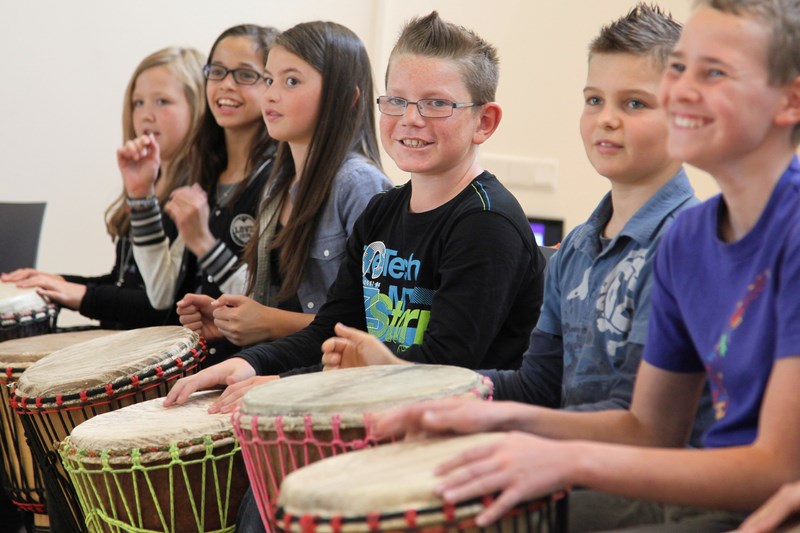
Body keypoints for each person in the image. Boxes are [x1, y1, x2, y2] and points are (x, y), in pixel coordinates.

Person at [374, 1, 800, 531]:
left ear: (790, 100)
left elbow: (777, 468)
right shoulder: (688, 240)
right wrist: (480, 409)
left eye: (713, 72)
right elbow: (648, 428)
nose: (680, 91)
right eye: (680, 69)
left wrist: (558, 457)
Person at [164, 12, 545, 415]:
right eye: (397, 100)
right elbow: (329, 330)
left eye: (436, 103)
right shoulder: (382, 212)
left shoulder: (486, 224)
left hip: (458, 437)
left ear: (484, 121)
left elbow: (443, 371)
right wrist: (246, 364)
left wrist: (285, 385)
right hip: (382, 410)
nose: (410, 118)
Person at [175, 21, 391, 350]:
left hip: (332, 382)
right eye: (268, 79)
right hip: (278, 367)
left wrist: (268, 323)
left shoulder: (358, 184)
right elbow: (273, 304)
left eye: (291, 81)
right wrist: (229, 318)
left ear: (347, 97)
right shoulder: (279, 183)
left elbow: (379, 324)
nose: (271, 94)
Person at [1, 46, 205, 330]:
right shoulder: (149, 183)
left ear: (198, 109)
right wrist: (59, 282)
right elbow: (123, 282)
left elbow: (160, 308)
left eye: (162, 101)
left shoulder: (195, 198)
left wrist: (81, 295)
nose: (146, 114)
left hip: (155, 348)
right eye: (138, 103)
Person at [120, 25, 278, 362]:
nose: (226, 85)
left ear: (272, 85)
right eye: (217, 71)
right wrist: (141, 196)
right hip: (195, 365)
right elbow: (162, 293)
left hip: (248, 371)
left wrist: (205, 244)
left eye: (245, 74)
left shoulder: (279, 178)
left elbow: (267, 306)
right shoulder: (205, 171)